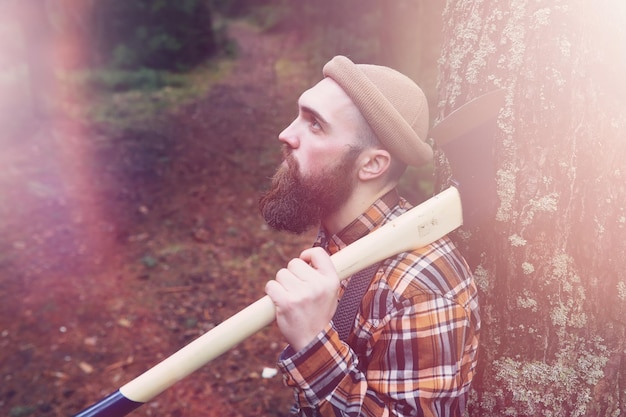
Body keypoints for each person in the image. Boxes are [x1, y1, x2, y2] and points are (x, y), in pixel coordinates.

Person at [259, 55, 480, 417]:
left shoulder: (421, 288)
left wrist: (314, 345)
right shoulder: (339, 238)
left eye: (315, 124)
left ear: (372, 164)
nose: (286, 134)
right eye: (300, 114)